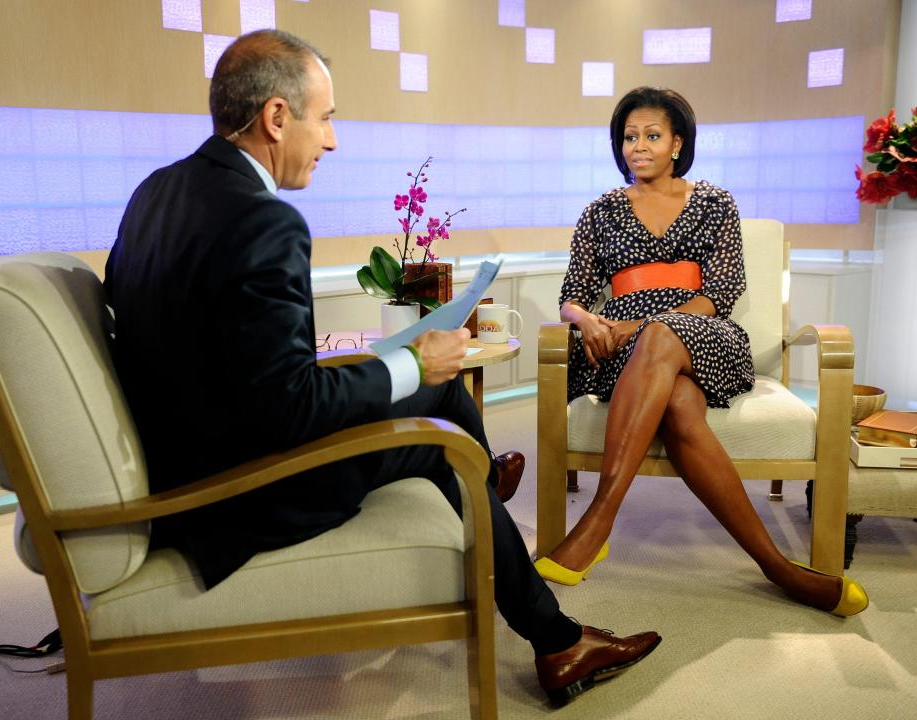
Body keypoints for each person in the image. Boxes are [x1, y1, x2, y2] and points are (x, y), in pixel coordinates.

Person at [104, 30, 661, 707]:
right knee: (436, 431)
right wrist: (407, 361)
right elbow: (290, 408)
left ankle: (493, 494)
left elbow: (222, 353)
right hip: (241, 489)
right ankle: (553, 632)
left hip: (195, 451)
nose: (333, 140)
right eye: (327, 117)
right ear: (278, 117)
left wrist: (403, 366)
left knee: (435, 386)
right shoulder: (263, 221)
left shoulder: (155, 193)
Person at [534, 87, 869, 618]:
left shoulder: (714, 202)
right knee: (680, 408)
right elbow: (571, 299)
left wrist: (637, 325)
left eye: (651, 135)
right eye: (629, 136)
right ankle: (779, 568)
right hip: (629, 352)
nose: (638, 146)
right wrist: (590, 320)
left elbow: (720, 291)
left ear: (676, 143)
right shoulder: (599, 211)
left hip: (705, 335)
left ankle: (597, 521)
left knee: (663, 335)